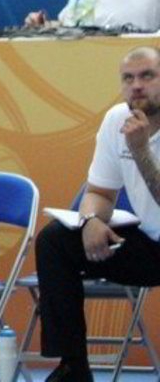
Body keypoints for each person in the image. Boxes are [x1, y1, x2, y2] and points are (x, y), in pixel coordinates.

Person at [33, 45, 160, 382]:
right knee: (55, 241)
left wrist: (141, 151)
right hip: (149, 244)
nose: (136, 86)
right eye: (128, 78)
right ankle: (73, 366)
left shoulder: (135, 135)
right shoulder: (116, 119)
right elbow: (100, 193)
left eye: (147, 76)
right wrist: (90, 220)